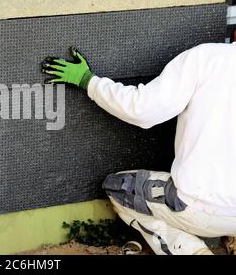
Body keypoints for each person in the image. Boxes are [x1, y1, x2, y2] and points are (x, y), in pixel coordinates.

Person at [42, 43, 236, 255]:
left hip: (198, 207)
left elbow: (142, 109)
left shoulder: (206, 59)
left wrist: (88, 81)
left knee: (119, 188)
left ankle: (192, 251)